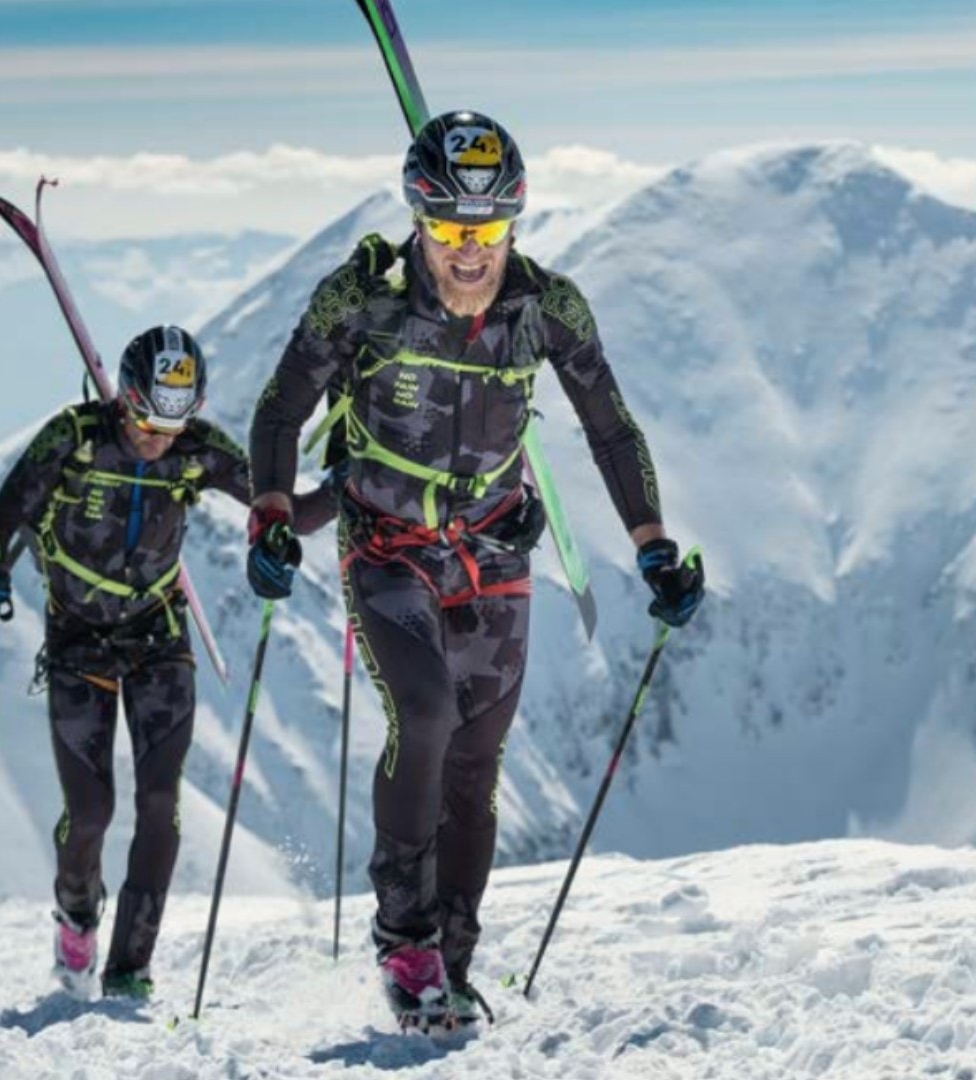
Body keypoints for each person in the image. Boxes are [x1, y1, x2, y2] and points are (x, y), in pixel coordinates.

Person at [247, 110, 706, 1031]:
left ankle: (450, 965)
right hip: (384, 541)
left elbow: (610, 427)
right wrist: (270, 513)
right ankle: (405, 941)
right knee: (424, 714)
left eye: (488, 227)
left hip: (495, 544)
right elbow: (279, 409)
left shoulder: (546, 308)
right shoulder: (362, 298)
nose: (469, 249)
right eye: (452, 227)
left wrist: (652, 540)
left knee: (476, 766)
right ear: (419, 217)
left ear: (514, 223)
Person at [0, 325, 332, 999]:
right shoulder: (74, 438)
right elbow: (5, 515)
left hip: (158, 636)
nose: (157, 436)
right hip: (78, 640)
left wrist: (334, 488)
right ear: (125, 399)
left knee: (161, 803)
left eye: (174, 421)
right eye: (144, 418)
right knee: (90, 815)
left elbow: (286, 508)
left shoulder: (196, 450)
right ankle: (77, 915)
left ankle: (129, 969)